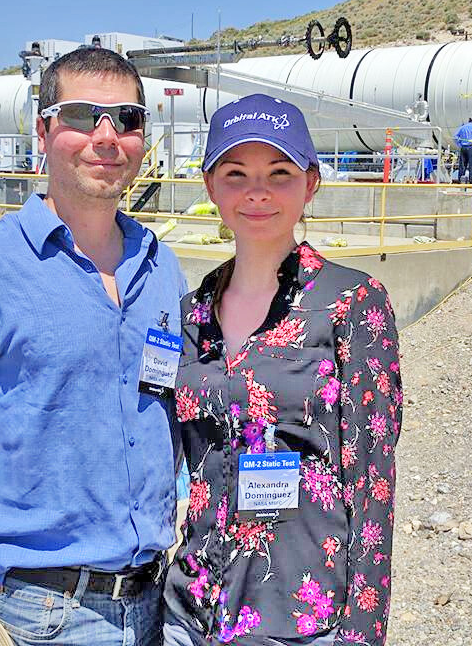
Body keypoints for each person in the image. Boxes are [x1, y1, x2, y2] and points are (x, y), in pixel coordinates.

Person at [0, 47, 186, 646]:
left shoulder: (163, 271)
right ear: (43, 129)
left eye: (126, 120)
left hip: (155, 606)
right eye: (82, 115)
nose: (106, 137)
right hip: (36, 617)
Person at [163, 94, 403, 646]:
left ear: (310, 184)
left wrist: (363, 634)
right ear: (210, 186)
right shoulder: (193, 312)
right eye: (236, 173)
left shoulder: (352, 303)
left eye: (279, 173)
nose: (257, 192)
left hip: (298, 619)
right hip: (191, 613)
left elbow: (372, 481)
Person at [454, 117, 472, 184]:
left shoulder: (462, 127)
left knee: (462, 165)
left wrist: (459, 144)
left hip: (463, 148)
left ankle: (461, 180)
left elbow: (455, 136)